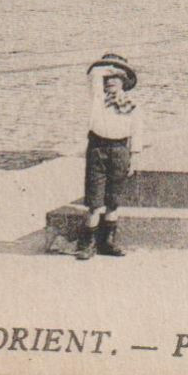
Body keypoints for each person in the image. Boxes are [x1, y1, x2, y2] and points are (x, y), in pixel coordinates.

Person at [77, 53, 141, 260]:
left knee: (113, 199)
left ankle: (108, 241)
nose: (111, 81)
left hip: (120, 151)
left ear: (125, 81)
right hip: (98, 149)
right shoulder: (97, 99)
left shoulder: (131, 104)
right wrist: (106, 68)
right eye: (107, 78)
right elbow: (93, 75)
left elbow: (137, 132)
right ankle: (89, 243)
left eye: (117, 77)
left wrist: (135, 156)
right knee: (95, 200)